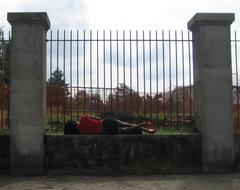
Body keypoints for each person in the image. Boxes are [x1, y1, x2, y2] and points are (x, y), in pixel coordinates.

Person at [64, 115, 157, 135]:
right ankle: (146, 126)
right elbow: (98, 119)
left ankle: (147, 129)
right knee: (127, 125)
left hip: (105, 131)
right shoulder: (83, 118)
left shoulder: (81, 133)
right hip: (105, 122)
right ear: (74, 123)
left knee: (126, 130)